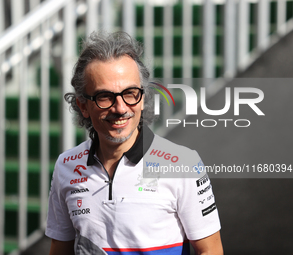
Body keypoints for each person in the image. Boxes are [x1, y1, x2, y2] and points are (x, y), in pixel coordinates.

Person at [45, 31, 223, 255]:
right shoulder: (66, 165)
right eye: (105, 97)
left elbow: (211, 251)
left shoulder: (184, 164)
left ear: (143, 98)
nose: (120, 108)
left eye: (130, 93)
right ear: (83, 106)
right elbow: (59, 250)